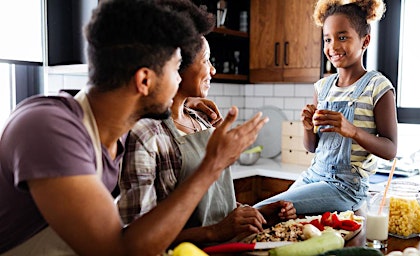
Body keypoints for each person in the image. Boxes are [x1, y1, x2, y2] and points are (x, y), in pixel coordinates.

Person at [0, 0, 268, 255]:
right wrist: (213, 163)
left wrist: (182, 105)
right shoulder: (47, 130)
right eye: (176, 70)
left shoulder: (112, 131)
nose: (178, 82)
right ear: (144, 80)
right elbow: (120, 251)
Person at [117, 35, 296, 246]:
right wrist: (216, 232)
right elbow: (136, 239)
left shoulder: (201, 121)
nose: (212, 70)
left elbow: (213, 203)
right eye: (206, 60)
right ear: (177, 65)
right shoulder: (147, 133)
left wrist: (256, 215)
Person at [254, 0, 397, 215]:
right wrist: (306, 127)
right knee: (271, 215)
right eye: (327, 39)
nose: (333, 47)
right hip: (313, 175)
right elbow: (313, 148)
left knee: (263, 212)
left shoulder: (378, 87)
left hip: (346, 188)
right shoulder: (323, 87)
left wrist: (353, 131)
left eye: (342, 37)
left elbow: (391, 150)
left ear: (365, 41)